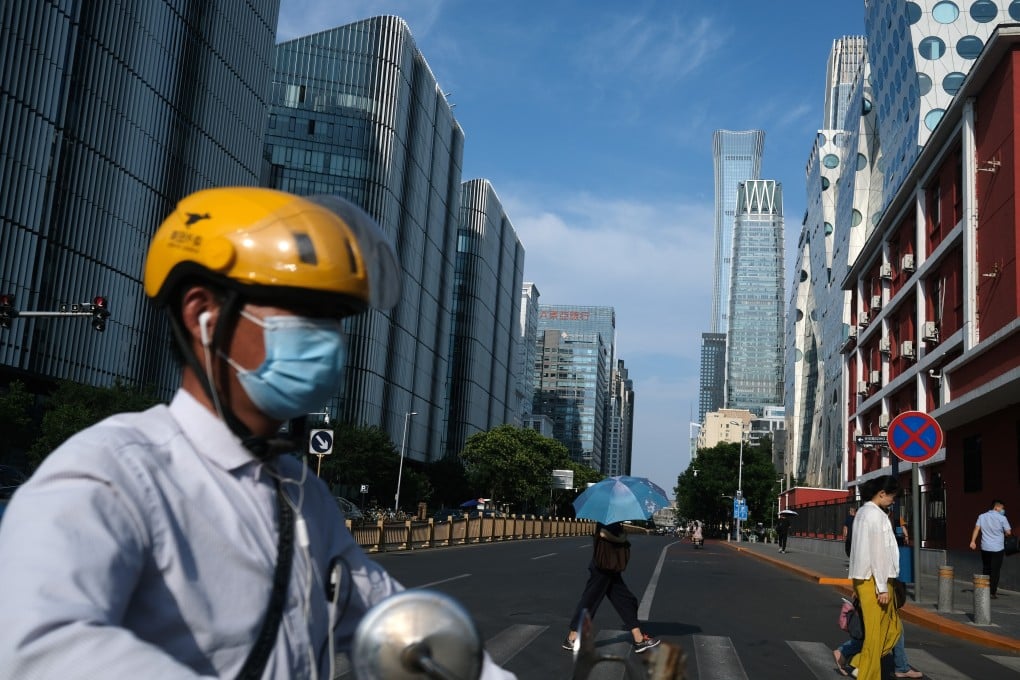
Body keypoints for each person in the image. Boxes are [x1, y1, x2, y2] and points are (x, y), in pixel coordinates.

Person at [0, 188, 515, 679]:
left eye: (334, 319)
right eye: (300, 311)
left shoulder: (303, 494)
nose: (328, 341)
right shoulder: (112, 474)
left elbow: (393, 624)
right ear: (203, 314)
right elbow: (37, 648)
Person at [562, 522, 661, 654]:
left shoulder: (614, 519)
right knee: (590, 601)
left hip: (610, 566)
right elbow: (602, 533)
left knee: (626, 600)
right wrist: (621, 538)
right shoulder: (605, 519)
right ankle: (572, 637)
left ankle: (638, 638)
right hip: (602, 567)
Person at [846, 475, 903, 680]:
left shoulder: (862, 512)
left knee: (892, 628)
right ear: (882, 494)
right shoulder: (876, 516)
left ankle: (859, 663)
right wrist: (882, 587)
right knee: (876, 634)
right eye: (892, 496)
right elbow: (878, 553)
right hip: (875, 579)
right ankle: (868, 674)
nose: (893, 500)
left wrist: (856, 583)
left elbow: (856, 549)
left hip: (866, 579)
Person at [833, 628, 922, 678]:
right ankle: (861, 664)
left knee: (892, 629)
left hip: (876, 600)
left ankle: (844, 652)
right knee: (892, 629)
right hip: (878, 600)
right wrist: (882, 593)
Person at [970, 499, 1013, 599]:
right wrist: (1004, 533)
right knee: (995, 570)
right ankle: (992, 592)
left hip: (985, 547)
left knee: (986, 568)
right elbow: (1009, 532)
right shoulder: (1002, 518)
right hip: (998, 548)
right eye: (1002, 508)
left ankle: (984, 589)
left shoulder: (982, 516)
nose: (1003, 510)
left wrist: (973, 541)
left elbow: (977, 529)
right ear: (996, 507)